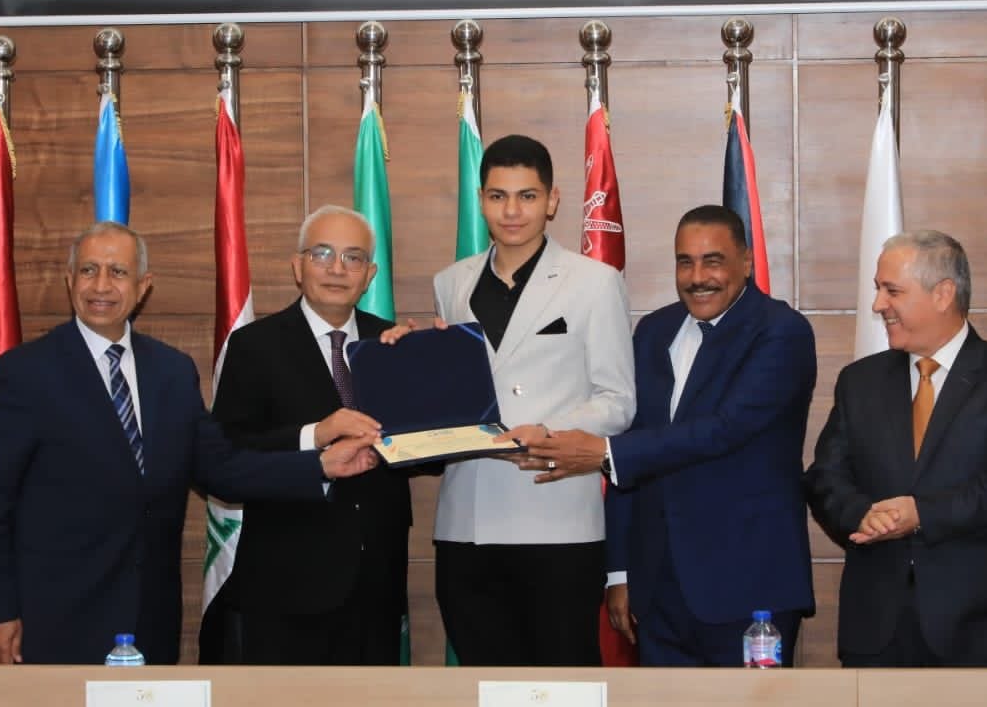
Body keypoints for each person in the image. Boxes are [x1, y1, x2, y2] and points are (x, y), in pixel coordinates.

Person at [0, 221, 378, 666]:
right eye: (88, 270)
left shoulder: (172, 372)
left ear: (143, 286)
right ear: (70, 280)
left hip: (149, 620)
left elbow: (222, 469)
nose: (101, 286)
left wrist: (321, 465)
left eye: (118, 272)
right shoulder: (26, 372)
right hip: (51, 621)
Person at [528, 205, 817, 666]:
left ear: (746, 262)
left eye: (713, 261)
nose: (697, 277)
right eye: (685, 262)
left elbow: (725, 429)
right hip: (658, 591)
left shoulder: (782, 333)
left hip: (749, 589)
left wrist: (604, 451)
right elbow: (632, 444)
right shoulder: (653, 332)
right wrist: (619, 572)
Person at [805, 229, 987, 668]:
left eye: (892, 291)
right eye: (878, 289)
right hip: (877, 632)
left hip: (980, 631)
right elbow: (825, 477)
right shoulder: (860, 381)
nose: (877, 305)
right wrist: (861, 514)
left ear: (943, 294)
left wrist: (921, 513)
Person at [430, 134, 635, 666]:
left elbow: (618, 400)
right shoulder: (450, 284)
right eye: (498, 196)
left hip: (556, 517)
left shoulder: (595, 282)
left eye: (527, 196)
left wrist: (547, 432)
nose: (512, 211)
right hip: (466, 522)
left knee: (561, 687)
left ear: (552, 200)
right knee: (482, 686)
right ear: (481, 200)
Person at [202, 205, 411, 665]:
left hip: (377, 587)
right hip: (286, 587)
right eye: (322, 254)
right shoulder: (254, 346)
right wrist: (316, 435)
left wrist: (441, 363)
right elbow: (227, 457)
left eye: (353, 258)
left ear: (370, 274)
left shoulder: (392, 345)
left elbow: (428, 451)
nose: (337, 269)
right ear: (298, 266)